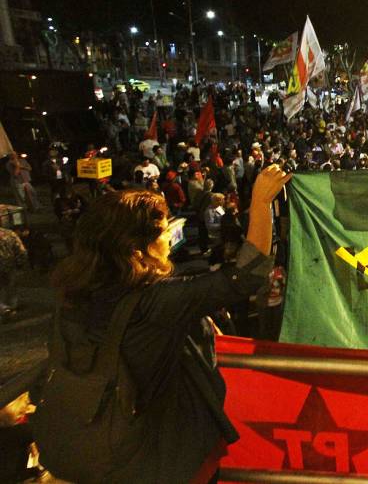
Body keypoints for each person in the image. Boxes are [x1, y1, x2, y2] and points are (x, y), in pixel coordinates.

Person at [38, 164, 290, 482]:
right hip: (162, 457)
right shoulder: (154, 300)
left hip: (100, 449)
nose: (170, 235)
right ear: (135, 247)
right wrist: (262, 203)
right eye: (162, 230)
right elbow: (246, 274)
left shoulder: (72, 295)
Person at [0, 226, 27, 322]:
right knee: (11, 287)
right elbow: (21, 250)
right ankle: (11, 308)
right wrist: (20, 263)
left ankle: (3, 309)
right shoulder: (9, 233)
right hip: (9, 266)